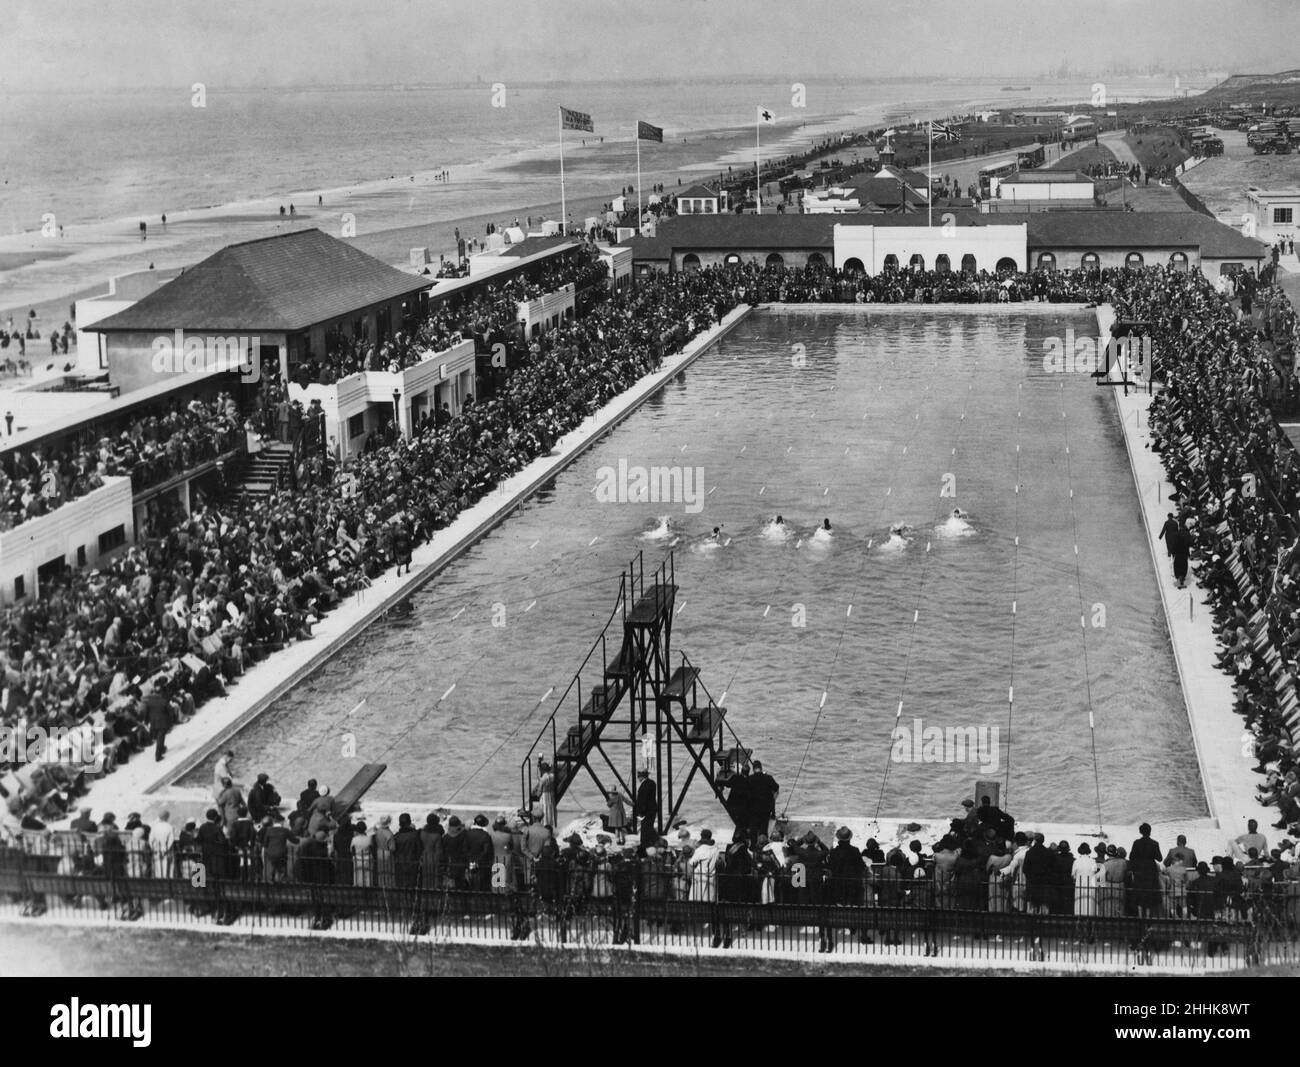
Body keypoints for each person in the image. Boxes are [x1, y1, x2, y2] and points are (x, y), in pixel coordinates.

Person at [1128, 822, 1164, 916]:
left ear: (1140, 832)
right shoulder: (1154, 843)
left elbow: (1131, 857)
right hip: (1150, 872)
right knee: (1149, 896)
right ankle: (1148, 918)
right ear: (1150, 831)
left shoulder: (1136, 843)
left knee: (1139, 895)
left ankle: (1140, 918)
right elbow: (1159, 858)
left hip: (1139, 871)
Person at [634, 769, 659, 846]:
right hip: (653, 809)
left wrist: (640, 812)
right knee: (649, 826)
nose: (638, 779)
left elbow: (643, 800)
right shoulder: (652, 783)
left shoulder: (643, 786)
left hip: (646, 811)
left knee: (645, 828)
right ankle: (653, 841)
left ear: (641, 777)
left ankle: (646, 843)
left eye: (638, 777)